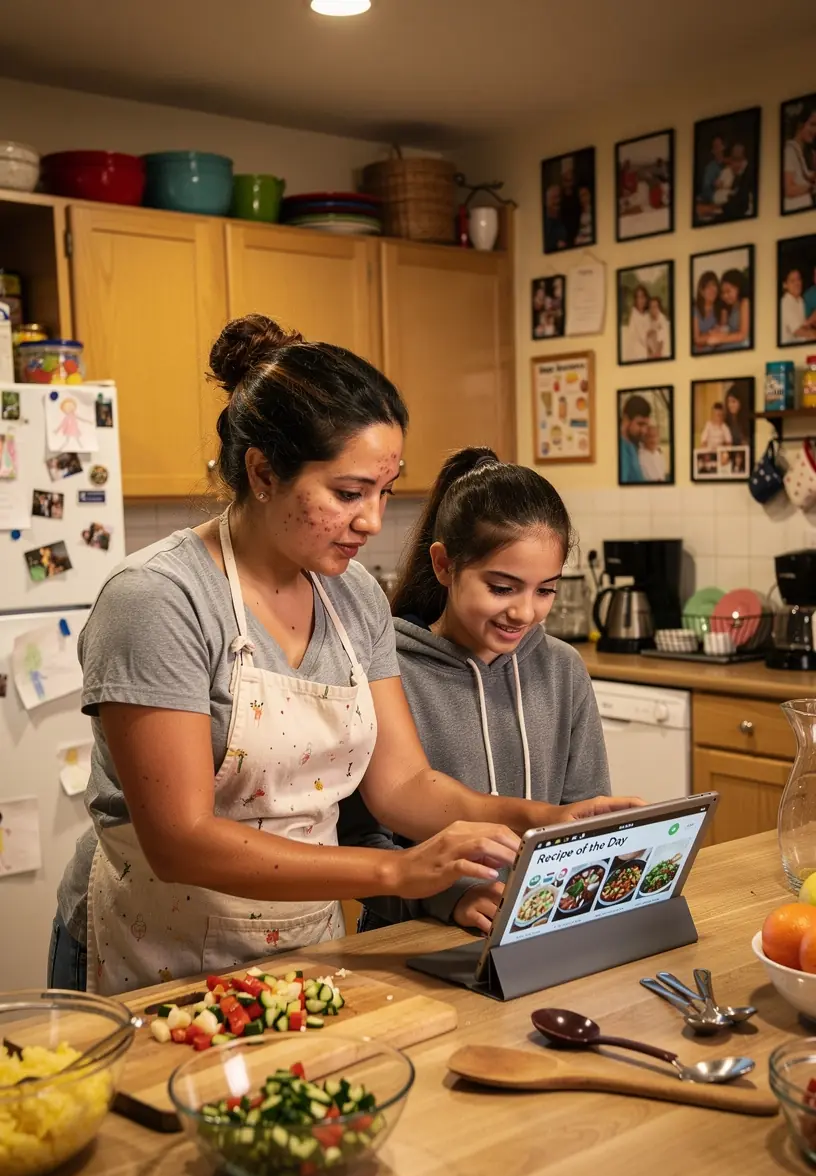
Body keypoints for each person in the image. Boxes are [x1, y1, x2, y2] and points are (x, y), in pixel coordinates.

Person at [50, 315, 635, 995]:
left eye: (384, 492)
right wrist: (396, 873)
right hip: (154, 951)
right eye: (349, 493)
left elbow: (404, 788)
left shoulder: (351, 594)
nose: (374, 521)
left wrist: (542, 820)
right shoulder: (158, 599)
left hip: (305, 944)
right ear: (263, 472)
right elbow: (180, 839)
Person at [339, 448, 613, 934]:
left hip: (539, 931)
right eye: (503, 588)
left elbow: (582, 823)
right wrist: (453, 896)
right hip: (411, 945)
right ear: (444, 566)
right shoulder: (387, 675)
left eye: (545, 590)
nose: (525, 613)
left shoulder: (563, 671)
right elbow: (357, 842)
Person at [704, 268, 751, 350]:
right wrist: (718, 331)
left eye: (728, 291)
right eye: (723, 293)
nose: (725, 296)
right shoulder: (731, 306)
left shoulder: (745, 302)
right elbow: (727, 328)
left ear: (739, 288)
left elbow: (742, 335)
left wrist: (720, 339)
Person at [784, 105, 816, 212]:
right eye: (812, 124)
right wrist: (811, 188)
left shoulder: (802, 151)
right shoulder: (789, 150)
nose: (815, 131)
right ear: (800, 125)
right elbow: (788, 189)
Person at [619, 394, 651, 482]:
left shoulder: (631, 446)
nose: (644, 431)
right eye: (640, 424)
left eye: (646, 425)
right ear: (626, 419)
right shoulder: (621, 450)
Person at [781, 268, 816, 343]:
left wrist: (811, 320)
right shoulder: (785, 303)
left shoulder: (800, 301)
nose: (797, 283)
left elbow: (804, 325)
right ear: (785, 285)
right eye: (793, 281)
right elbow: (798, 331)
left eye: (799, 279)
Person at [692, 271, 720, 352]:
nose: (712, 289)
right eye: (708, 286)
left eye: (714, 285)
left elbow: (721, 334)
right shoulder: (695, 309)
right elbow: (697, 339)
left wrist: (705, 336)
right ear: (701, 291)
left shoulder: (719, 308)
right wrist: (711, 334)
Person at [622, 284, 650, 362]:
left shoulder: (647, 315)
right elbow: (643, 337)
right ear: (635, 300)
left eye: (643, 297)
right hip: (636, 356)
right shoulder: (634, 316)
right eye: (638, 297)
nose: (641, 300)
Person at [544, 184, 567, 251]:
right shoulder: (540, 223)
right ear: (546, 201)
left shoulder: (564, 223)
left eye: (559, 197)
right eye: (554, 197)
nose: (558, 200)